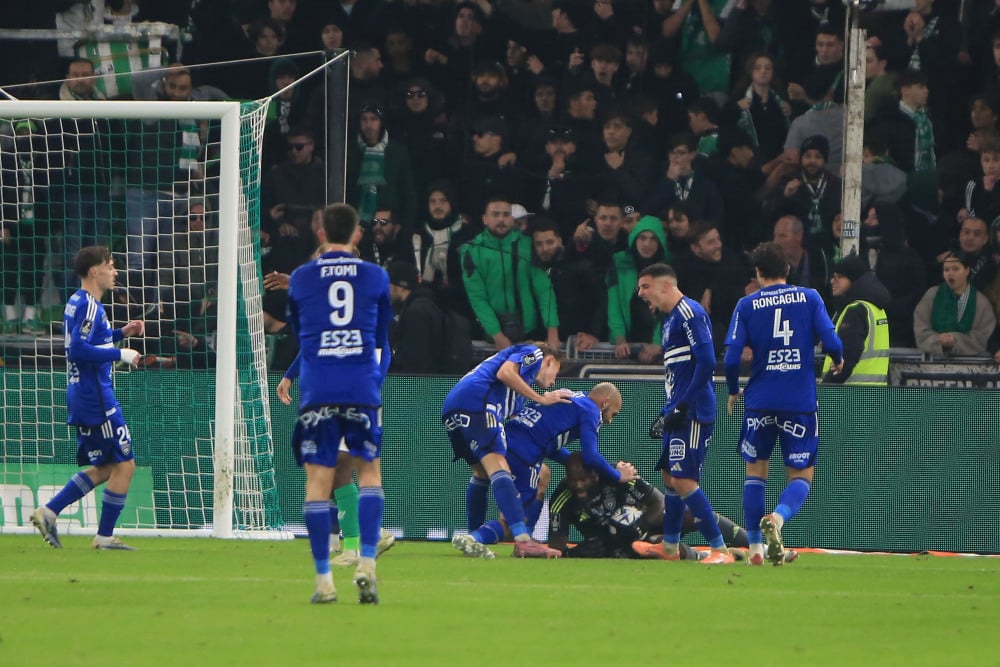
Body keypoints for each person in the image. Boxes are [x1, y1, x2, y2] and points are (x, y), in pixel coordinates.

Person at [285, 203, 392, 604]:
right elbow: (380, 334)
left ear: (319, 233)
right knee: (369, 472)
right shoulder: (376, 275)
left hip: (318, 389)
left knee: (319, 482)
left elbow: (297, 329)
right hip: (361, 388)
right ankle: (367, 562)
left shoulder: (300, 277)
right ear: (357, 234)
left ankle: (323, 581)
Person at [724, 242, 844, 566]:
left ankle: (755, 550)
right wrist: (838, 358)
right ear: (788, 269)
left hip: (760, 400)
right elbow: (832, 340)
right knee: (802, 475)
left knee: (755, 472)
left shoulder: (746, 305)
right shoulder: (810, 297)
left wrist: (734, 390)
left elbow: (732, 357)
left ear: (758, 273)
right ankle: (777, 518)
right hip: (799, 401)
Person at [30, 246, 145, 550]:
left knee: (109, 467)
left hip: (84, 393)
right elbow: (78, 350)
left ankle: (49, 511)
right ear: (94, 271)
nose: (115, 271)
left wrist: (123, 332)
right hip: (96, 397)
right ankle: (104, 536)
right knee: (126, 464)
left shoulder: (79, 302)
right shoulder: (90, 305)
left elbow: (92, 340)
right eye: (110, 266)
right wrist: (121, 352)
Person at [630, 263, 734, 565]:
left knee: (683, 478)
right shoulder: (668, 321)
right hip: (678, 407)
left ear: (665, 286)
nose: (640, 293)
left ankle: (720, 550)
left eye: (645, 286)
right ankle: (670, 547)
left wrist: (683, 404)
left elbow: (706, 362)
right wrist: (668, 409)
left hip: (694, 410)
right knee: (669, 476)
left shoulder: (690, 312)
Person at [465, 383, 637, 555]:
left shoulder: (571, 396)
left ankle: (513, 541)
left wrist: (573, 463)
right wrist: (617, 475)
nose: (610, 420)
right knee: (517, 519)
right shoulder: (592, 410)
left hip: (501, 441)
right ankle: (475, 538)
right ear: (605, 403)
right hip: (523, 455)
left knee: (541, 474)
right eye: (613, 414)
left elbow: (549, 443)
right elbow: (590, 455)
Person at [442, 343, 572, 559]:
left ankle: (474, 538)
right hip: (478, 402)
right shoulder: (535, 353)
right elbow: (505, 372)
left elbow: (530, 431)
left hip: (452, 408)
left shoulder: (517, 395)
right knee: (499, 466)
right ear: (549, 360)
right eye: (556, 371)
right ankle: (523, 540)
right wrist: (541, 398)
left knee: (481, 473)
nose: (554, 380)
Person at [549, 452, 770, 561]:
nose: (578, 485)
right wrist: (577, 553)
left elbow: (658, 501)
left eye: (584, 479)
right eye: (573, 480)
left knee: (692, 514)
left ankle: (761, 548)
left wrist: (642, 524)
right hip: (622, 543)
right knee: (660, 549)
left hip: (649, 520)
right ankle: (708, 556)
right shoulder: (561, 500)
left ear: (596, 474)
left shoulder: (617, 474)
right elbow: (556, 546)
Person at [821, 255, 891, 385]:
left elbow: (845, 359)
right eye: (833, 276)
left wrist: (826, 389)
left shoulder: (856, 310)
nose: (832, 281)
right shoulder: (875, 307)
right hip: (874, 396)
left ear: (854, 280)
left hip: (850, 397)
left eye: (839, 277)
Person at [913, 252, 997, 357]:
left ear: (967, 271)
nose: (950, 273)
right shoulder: (931, 295)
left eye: (956, 269)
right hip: (933, 359)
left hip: (971, 363)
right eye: (946, 270)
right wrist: (938, 340)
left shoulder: (981, 302)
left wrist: (956, 340)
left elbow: (984, 336)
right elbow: (921, 329)